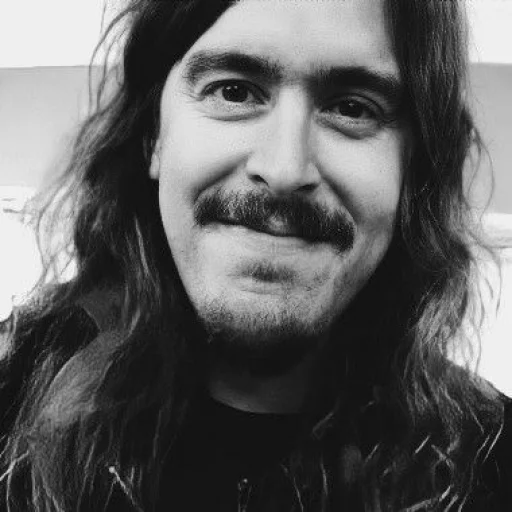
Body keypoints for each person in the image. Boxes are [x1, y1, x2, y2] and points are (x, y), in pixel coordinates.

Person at [0, 0, 510, 510]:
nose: (285, 169)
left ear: (412, 167)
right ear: (154, 135)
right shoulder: (12, 390)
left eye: (352, 108)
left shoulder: (494, 466)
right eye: (234, 91)